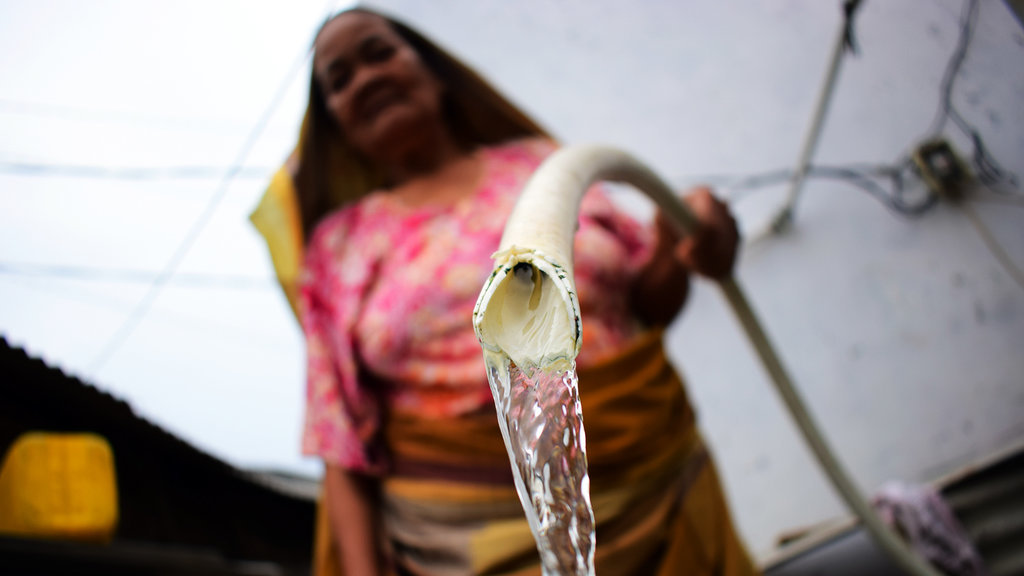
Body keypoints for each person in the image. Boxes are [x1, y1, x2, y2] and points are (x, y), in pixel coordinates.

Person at [251, 7, 758, 576]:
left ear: (435, 72)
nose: (366, 78)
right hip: (468, 538)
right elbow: (342, 438)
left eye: (379, 52)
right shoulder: (338, 247)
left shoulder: (542, 166)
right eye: (339, 80)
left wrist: (684, 238)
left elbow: (648, 303)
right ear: (335, 124)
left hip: (660, 484)